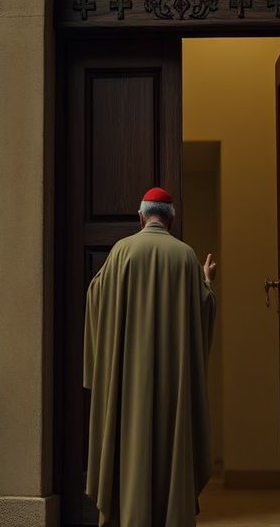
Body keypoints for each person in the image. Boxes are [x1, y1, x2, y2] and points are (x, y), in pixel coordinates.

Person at [83, 187, 218, 526]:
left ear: (140, 217)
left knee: (129, 448)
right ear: (171, 219)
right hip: (174, 385)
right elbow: (203, 313)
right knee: (172, 448)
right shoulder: (186, 257)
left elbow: (95, 298)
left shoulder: (120, 253)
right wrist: (205, 283)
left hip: (128, 386)